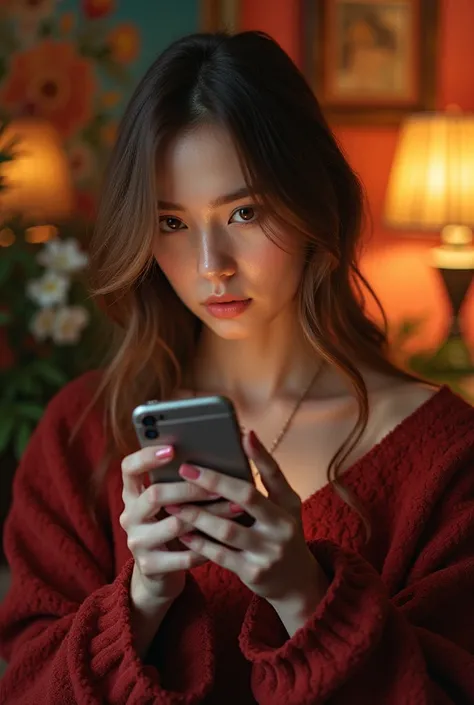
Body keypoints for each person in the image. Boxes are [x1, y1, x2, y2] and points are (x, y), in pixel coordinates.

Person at [1, 30, 474, 705]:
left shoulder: (447, 456)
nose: (209, 265)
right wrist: (141, 598)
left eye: (244, 212)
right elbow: (26, 686)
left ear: (315, 203)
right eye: (170, 223)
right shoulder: (81, 433)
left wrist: (304, 594)